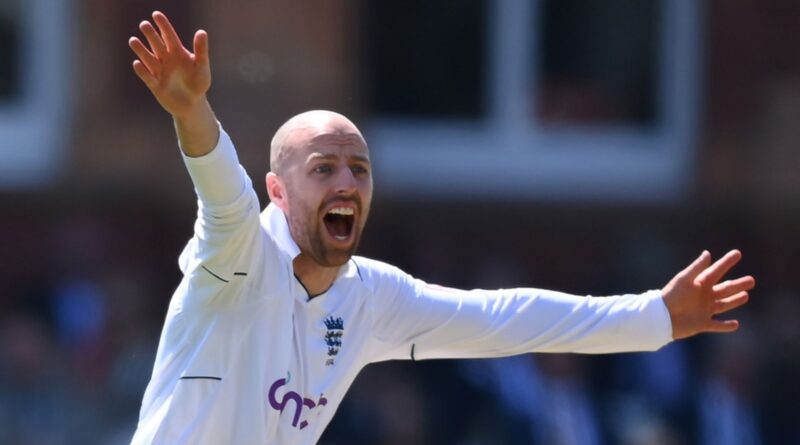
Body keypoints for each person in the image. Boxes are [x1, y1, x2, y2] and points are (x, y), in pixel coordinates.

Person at [127, 11, 755, 444]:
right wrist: (191, 108)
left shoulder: (370, 299)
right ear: (279, 190)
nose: (347, 183)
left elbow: (508, 318)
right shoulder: (237, 256)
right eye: (324, 168)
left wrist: (656, 317)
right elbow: (225, 195)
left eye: (360, 169)